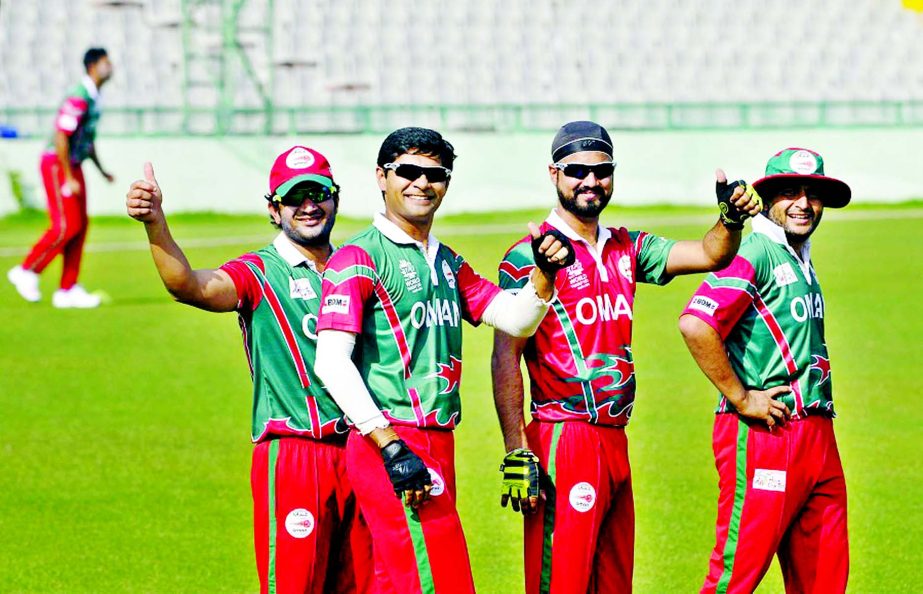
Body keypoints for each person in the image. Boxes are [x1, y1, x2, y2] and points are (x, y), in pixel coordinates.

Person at [491, 121, 763, 594]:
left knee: (614, 582)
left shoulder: (626, 246)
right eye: (577, 170)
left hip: (615, 439)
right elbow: (504, 355)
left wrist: (731, 219)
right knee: (562, 582)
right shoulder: (529, 256)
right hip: (563, 436)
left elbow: (708, 254)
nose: (590, 181)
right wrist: (517, 449)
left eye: (602, 171)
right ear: (554, 174)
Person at [312, 126, 574, 594]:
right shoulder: (357, 257)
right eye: (407, 171)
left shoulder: (447, 262)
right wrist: (390, 446)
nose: (420, 183)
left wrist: (544, 275)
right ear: (381, 177)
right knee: (443, 581)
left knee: (392, 583)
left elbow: (513, 319)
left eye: (434, 174)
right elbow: (331, 362)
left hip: (436, 442)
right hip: (392, 442)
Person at [125, 146, 369, 594]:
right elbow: (189, 286)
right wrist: (155, 224)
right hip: (296, 452)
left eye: (318, 192)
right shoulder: (259, 270)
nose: (309, 205)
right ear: (274, 210)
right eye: (295, 197)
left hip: (363, 448)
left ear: (336, 197)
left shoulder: (359, 264)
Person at [678, 147, 850, 593]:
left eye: (813, 195)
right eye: (790, 192)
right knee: (735, 577)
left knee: (825, 577)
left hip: (817, 434)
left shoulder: (800, 257)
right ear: (768, 198)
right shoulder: (753, 252)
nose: (803, 204)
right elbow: (696, 323)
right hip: (767, 433)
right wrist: (740, 397)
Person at [8, 48, 115, 308]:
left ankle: (67, 289)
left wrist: (100, 170)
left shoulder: (94, 97)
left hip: (73, 163)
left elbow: (86, 140)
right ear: (92, 66)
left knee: (81, 225)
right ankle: (27, 270)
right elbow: (61, 136)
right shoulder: (78, 97)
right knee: (66, 225)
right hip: (58, 164)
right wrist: (68, 174)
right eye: (105, 63)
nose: (110, 67)